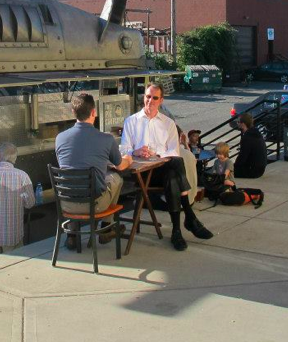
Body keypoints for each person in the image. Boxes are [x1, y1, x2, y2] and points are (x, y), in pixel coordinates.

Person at [120, 83, 214, 251]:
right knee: (176, 165)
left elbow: (173, 151)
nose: (150, 101)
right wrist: (136, 151)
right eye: (148, 96)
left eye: (155, 98)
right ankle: (189, 216)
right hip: (141, 172)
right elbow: (123, 150)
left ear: (161, 100)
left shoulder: (168, 123)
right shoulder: (131, 121)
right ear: (144, 97)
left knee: (172, 174)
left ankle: (177, 231)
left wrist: (157, 155)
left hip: (162, 168)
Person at [56, 93, 132, 248]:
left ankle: (72, 234)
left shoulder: (60, 138)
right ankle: (106, 228)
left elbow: (69, 166)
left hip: (66, 204)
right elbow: (120, 166)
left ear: (73, 112)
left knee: (75, 180)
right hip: (94, 205)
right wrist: (129, 158)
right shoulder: (106, 139)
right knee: (116, 178)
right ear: (93, 112)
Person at [234, 113, 268, 178]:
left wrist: (234, 167)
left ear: (243, 124)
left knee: (227, 171)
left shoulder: (247, 137)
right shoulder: (256, 132)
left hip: (253, 171)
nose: (237, 123)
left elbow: (242, 157)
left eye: (238, 122)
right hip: (260, 169)